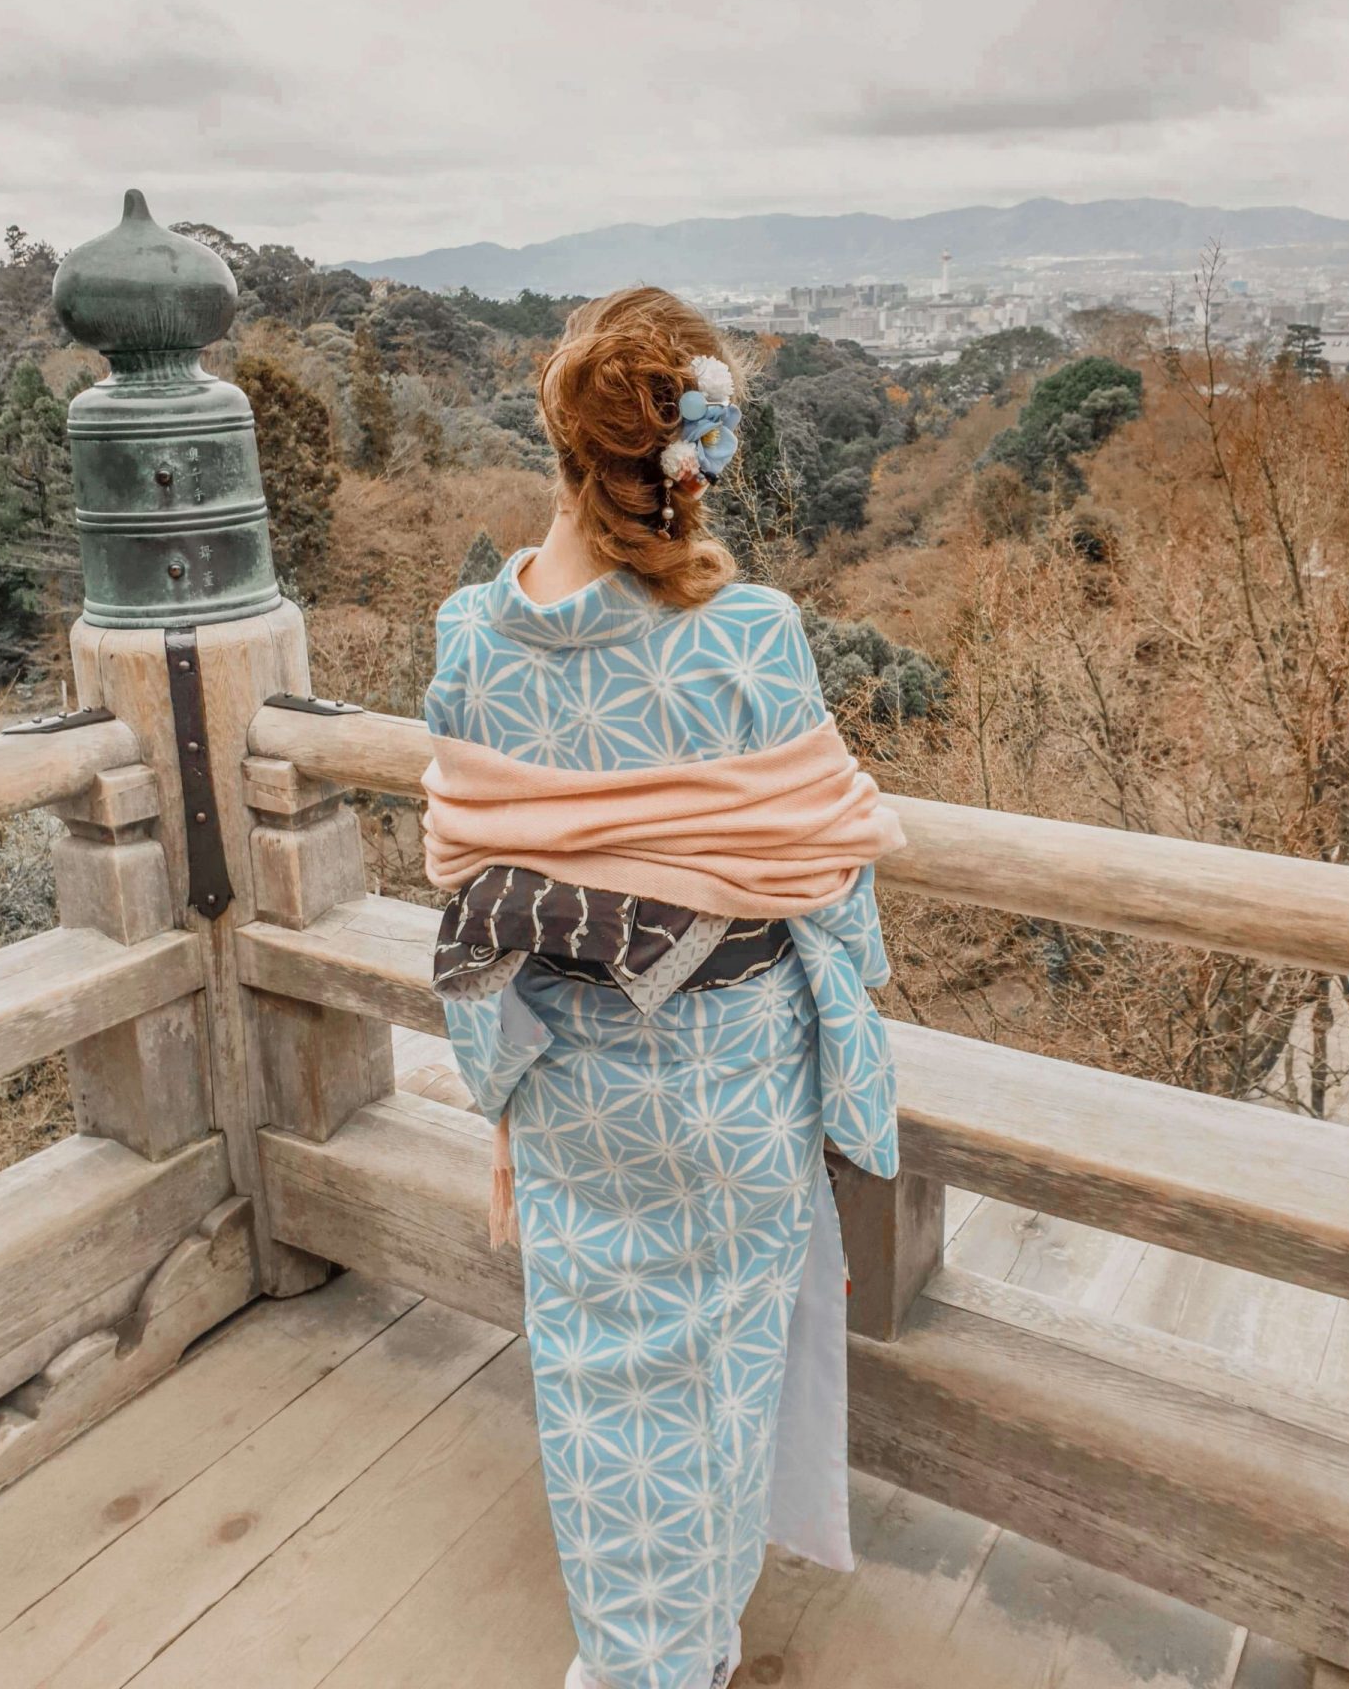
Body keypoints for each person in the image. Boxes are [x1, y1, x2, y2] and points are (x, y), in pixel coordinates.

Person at [422, 287, 903, 1689]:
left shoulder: (471, 631)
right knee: (718, 1370)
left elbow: (460, 860)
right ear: (692, 448)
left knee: (596, 1379)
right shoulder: (749, 631)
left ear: (566, 442)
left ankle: (635, 1656)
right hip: (733, 1066)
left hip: (561, 1070)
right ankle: (679, 1656)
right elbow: (825, 864)